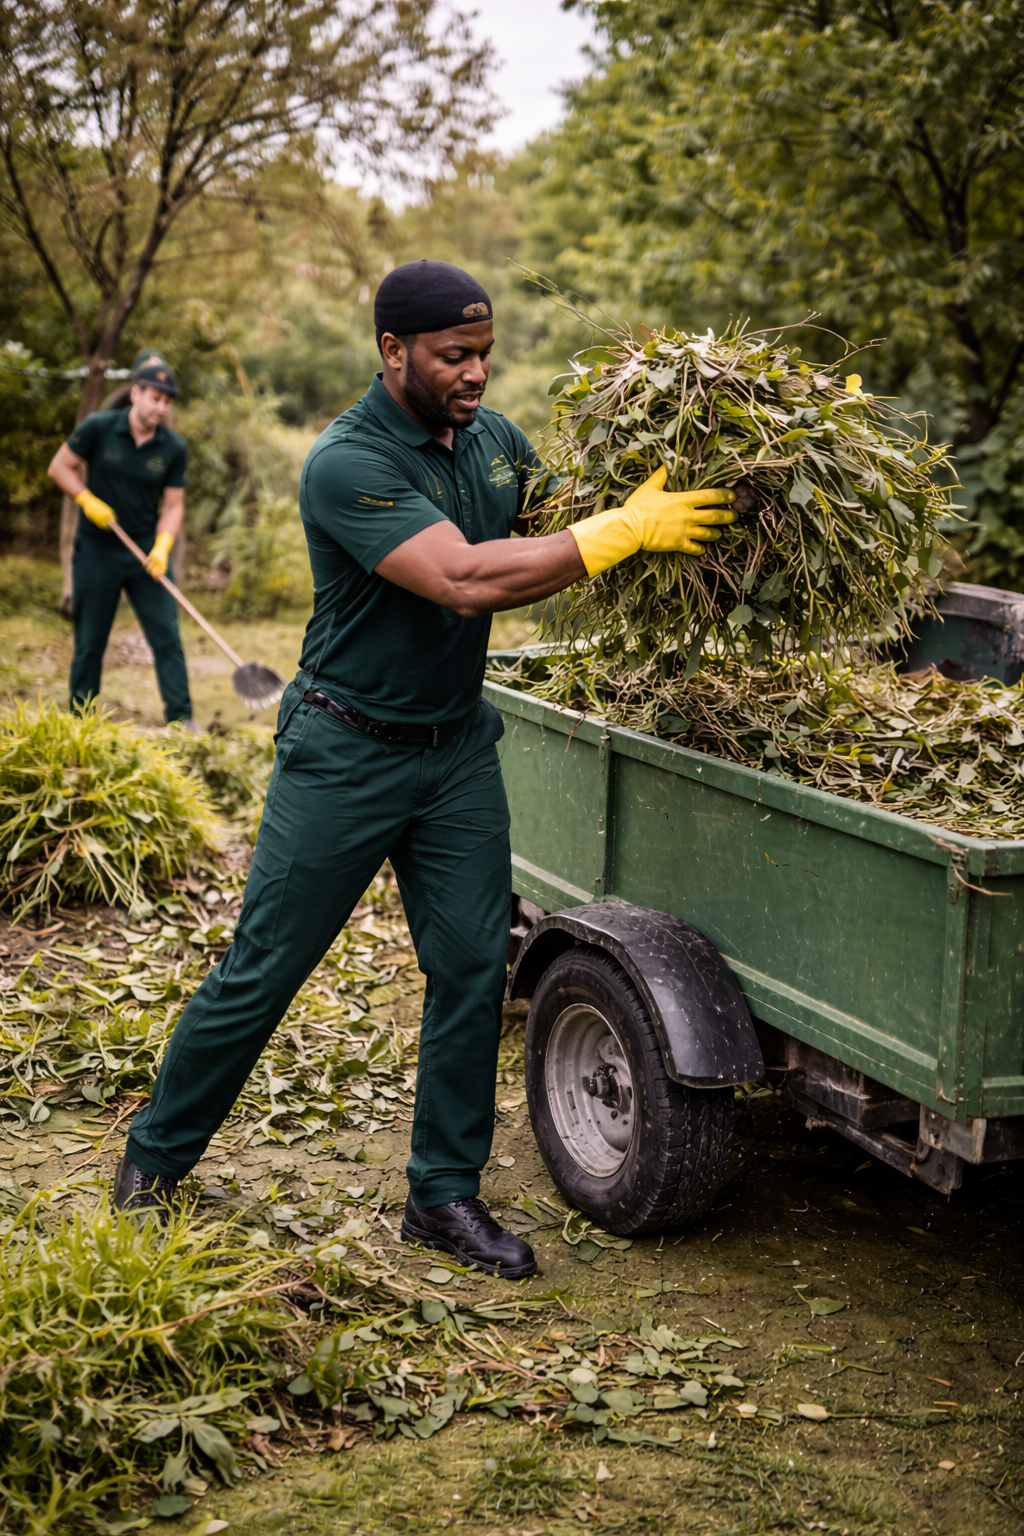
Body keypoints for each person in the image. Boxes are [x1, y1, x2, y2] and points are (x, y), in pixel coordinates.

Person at [112, 260, 734, 1277]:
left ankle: (442, 1197)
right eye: (453, 355)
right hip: (343, 750)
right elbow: (460, 579)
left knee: (469, 973)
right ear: (392, 350)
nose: (475, 373)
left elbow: (548, 530)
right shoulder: (345, 462)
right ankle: (155, 1159)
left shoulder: (494, 442)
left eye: (484, 353)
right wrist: (614, 534)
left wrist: (654, 497)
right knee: (264, 969)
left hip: (453, 754)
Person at [47, 358, 193, 725]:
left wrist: (162, 547)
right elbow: (59, 467)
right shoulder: (99, 427)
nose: (161, 408)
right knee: (89, 644)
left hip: (145, 555)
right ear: (136, 392)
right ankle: (81, 722)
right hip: (97, 552)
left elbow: (173, 506)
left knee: (168, 641)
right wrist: (85, 499)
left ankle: (182, 722)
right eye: (156, 398)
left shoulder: (173, 448)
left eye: (167, 401)